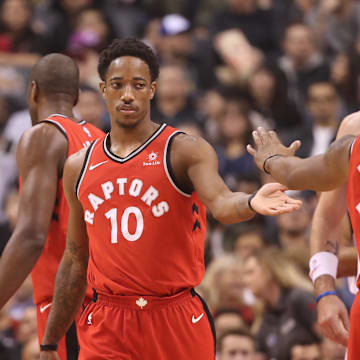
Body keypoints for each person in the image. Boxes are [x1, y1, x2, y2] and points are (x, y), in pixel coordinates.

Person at [39, 38, 301, 360]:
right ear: (103, 88)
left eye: (138, 85)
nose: (127, 95)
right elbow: (75, 257)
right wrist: (50, 342)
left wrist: (250, 202)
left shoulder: (183, 149)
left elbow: (221, 203)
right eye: (118, 85)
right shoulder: (79, 165)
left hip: (174, 315)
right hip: (107, 321)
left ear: (152, 89)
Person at [0, 53, 104, 360]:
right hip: (105, 307)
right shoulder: (101, 140)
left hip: (66, 307)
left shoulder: (44, 136)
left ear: (33, 90)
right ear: (76, 97)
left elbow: (31, 235)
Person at [247, 125, 360, 359]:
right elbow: (296, 174)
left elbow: (293, 172)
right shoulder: (352, 144)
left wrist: (274, 161)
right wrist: (324, 292)